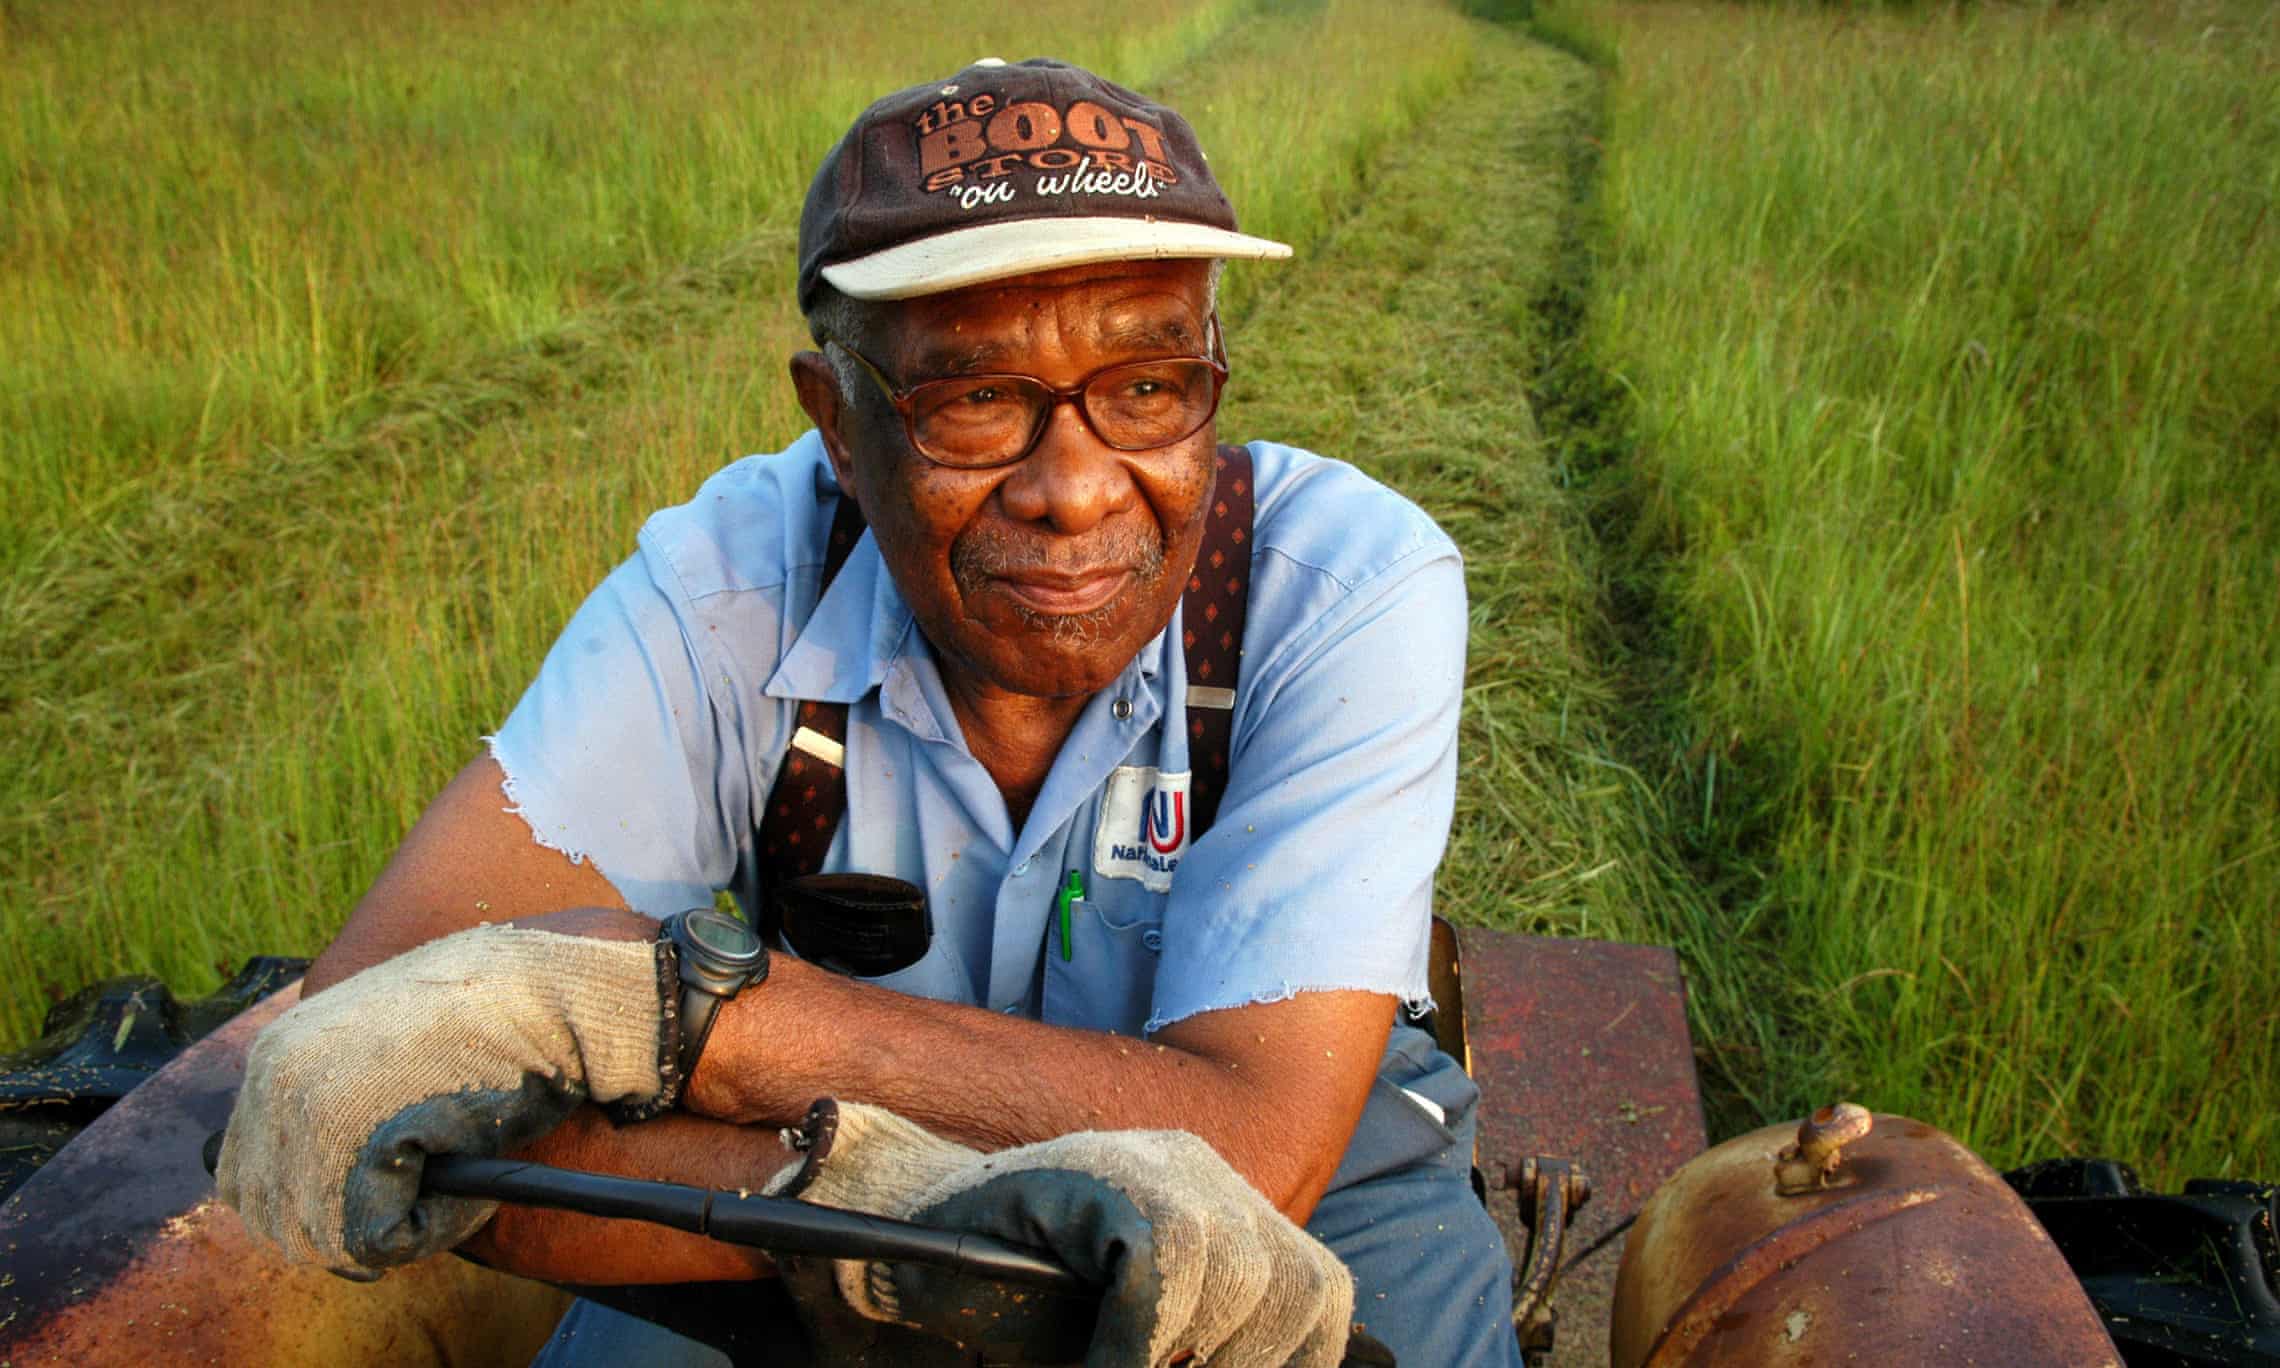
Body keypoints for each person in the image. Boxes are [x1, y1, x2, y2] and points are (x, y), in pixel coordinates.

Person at [216, 57, 1520, 1367]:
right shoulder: (732, 581)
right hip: (791, 1168)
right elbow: (366, 1062)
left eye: (1145, 389)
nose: (1074, 488)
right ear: (836, 422)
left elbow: (1260, 1149)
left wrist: (693, 1020)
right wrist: (868, 1211)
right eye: (976, 402)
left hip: (1312, 1193)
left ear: (1215, 379)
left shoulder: (1337, 584)